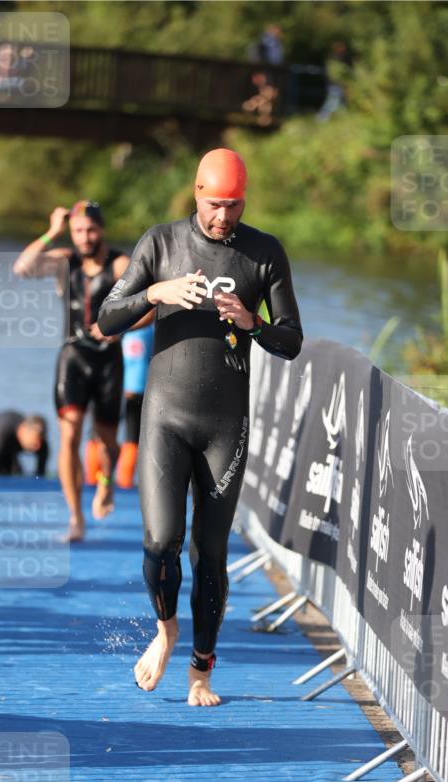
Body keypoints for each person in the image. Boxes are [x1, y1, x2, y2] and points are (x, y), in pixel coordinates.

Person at [98, 148, 303, 707]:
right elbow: (106, 319)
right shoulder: (161, 243)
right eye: (215, 205)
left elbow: (291, 340)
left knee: (209, 554)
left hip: (224, 428)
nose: (223, 217)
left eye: (234, 206)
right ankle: (165, 631)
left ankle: (201, 672)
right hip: (165, 418)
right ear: (197, 194)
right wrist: (155, 293)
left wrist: (252, 322)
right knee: (159, 541)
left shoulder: (264, 253)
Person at [14, 200, 137, 541]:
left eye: (91, 230)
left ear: (102, 229)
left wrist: (120, 328)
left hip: (108, 360)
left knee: (108, 441)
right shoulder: (64, 262)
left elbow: (149, 304)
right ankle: (75, 517)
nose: (85, 237)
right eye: (78, 231)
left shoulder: (119, 264)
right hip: (73, 358)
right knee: (69, 436)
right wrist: (51, 232)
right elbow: (22, 268)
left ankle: (106, 483)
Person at [117, 312, 155, 489]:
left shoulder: (124, 331)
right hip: (141, 388)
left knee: (101, 433)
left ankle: (95, 477)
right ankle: (126, 480)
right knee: (134, 436)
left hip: (122, 386)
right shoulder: (149, 330)